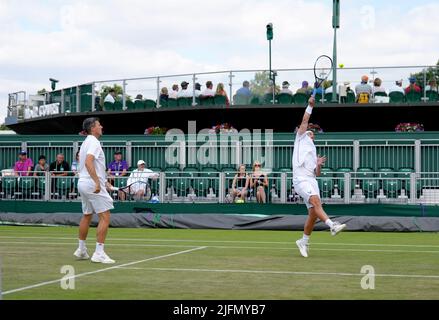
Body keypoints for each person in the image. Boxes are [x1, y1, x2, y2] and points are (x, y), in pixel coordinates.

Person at [293, 97, 346, 258]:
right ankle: (332, 225)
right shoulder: (300, 138)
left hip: (311, 180)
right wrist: (309, 106)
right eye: (309, 132)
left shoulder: (312, 151)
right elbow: (305, 120)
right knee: (316, 202)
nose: (311, 134)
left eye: (313, 134)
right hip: (300, 179)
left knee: (313, 213)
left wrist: (318, 164)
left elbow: (317, 174)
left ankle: (303, 241)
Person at [74, 117, 115, 264]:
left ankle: (81, 249)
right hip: (91, 184)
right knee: (105, 217)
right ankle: (99, 253)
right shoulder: (94, 142)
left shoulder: (85, 142)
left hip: (83, 183)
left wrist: (103, 181)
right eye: (99, 125)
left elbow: (91, 165)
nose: (101, 126)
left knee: (87, 215)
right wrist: (97, 182)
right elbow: (88, 161)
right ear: (93, 128)